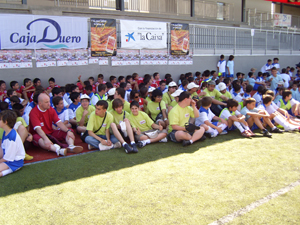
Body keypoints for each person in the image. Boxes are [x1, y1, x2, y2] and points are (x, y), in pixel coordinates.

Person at [0, 110, 25, 177]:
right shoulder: (7, 132)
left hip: (14, 162)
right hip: (10, 160)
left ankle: (7, 171)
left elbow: (7, 158)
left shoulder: (11, 138)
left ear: (5, 122)